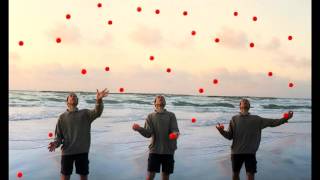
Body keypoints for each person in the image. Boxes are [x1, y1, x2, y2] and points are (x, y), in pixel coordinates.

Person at [216, 98, 293, 180]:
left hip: (250, 152)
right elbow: (229, 136)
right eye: (243, 101)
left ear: (249, 106)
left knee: (250, 175)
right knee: (235, 174)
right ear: (240, 106)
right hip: (236, 152)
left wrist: (285, 118)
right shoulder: (234, 119)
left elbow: (272, 122)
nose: (245, 101)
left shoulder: (257, 119)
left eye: (247, 102)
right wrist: (221, 131)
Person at [48, 89, 109, 180]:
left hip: (82, 151)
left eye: (75, 96)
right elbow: (59, 137)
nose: (73, 97)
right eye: (71, 96)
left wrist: (99, 100)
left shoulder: (85, 113)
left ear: (77, 101)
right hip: (67, 152)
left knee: (83, 176)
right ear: (67, 101)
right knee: (65, 176)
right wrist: (55, 144)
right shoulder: (62, 117)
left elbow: (97, 112)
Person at [132, 95, 180, 180]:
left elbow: (175, 130)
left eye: (162, 98)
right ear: (155, 103)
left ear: (165, 103)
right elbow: (148, 134)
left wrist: (175, 134)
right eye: (158, 97)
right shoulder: (150, 116)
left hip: (168, 150)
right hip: (154, 150)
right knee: (150, 175)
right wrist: (139, 129)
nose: (160, 97)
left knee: (165, 176)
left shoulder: (171, 115)